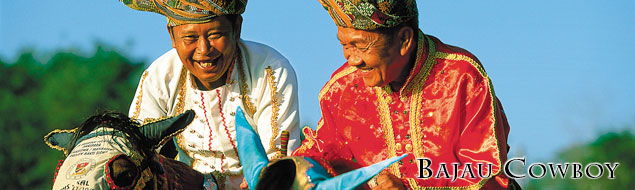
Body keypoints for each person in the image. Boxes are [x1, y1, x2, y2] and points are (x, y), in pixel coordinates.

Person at [293, 0, 517, 189]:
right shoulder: (342, 89)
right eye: (345, 45)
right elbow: (320, 152)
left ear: (404, 40)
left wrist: (409, 186)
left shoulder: (461, 76)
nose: (352, 59)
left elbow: (489, 172)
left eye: (360, 46)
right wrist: (292, 170)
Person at [120, 0, 301, 189]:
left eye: (215, 35)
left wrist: (267, 175)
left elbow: (278, 161)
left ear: (237, 28)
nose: (204, 50)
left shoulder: (270, 68)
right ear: (172, 36)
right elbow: (137, 153)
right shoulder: (160, 76)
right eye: (190, 38)